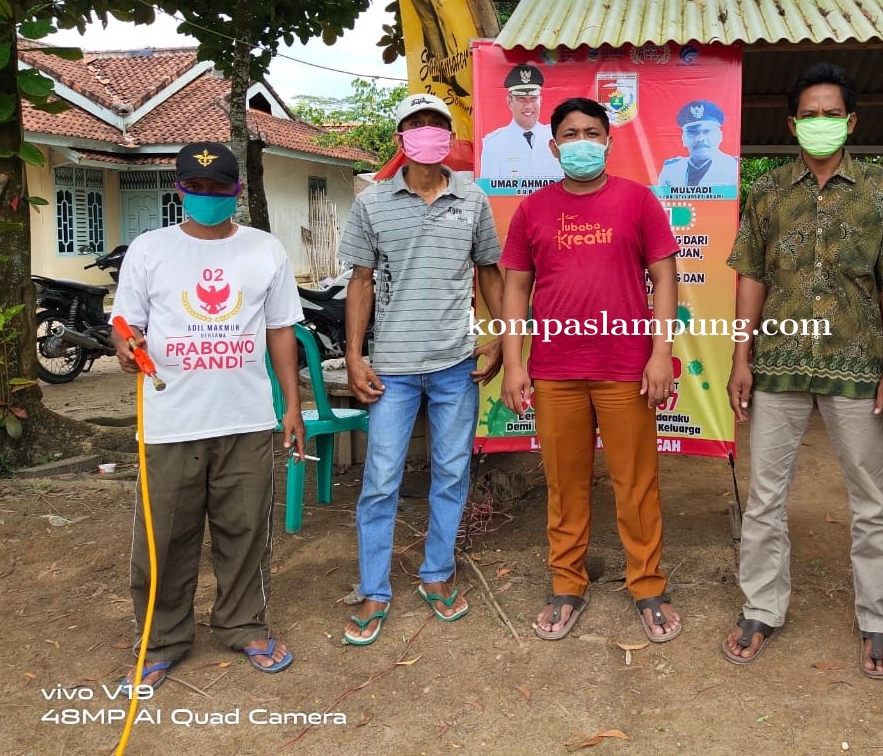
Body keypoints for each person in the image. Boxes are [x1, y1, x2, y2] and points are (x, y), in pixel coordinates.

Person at [721, 62, 883, 676]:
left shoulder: (880, 191)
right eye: (808, 116)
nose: (819, 123)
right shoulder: (766, 192)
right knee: (764, 496)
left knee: (871, 497)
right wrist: (740, 354)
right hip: (779, 364)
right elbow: (751, 276)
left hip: (857, 366)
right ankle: (761, 605)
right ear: (792, 124)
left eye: (830, 114)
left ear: (850, 120)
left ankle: (879, 618)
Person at [111, 141, 304, 692]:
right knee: (162, 538)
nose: (208, 198)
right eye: (196, 190)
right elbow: (124, 324)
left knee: (245, 531)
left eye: (219, 189)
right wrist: (126, 346)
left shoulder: (264, 250)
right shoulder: (150, 250)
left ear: (236, 192)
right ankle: (161, 640)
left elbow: (280, 330)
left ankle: (244, 624)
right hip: (171, 418)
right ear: (180, 191)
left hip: (244, 418)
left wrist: (290, 405)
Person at [499, 97, 682, 643]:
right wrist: (513, 362)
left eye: (592, 133)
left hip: (627, 368)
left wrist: (659, 352)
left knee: (636, 484)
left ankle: (648, 585)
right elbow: (514, 289)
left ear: (608, 141)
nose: (582, 142)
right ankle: (566, 583)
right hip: (555, 370)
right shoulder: (531, 210)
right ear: (554, 146)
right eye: (572, 134)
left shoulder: (639, 202)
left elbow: (666, 280)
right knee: (565, 484)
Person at [338, 93, 505, 645]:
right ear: (401, 139)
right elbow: (360, 281)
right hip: (393, 368)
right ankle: (373, 588)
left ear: (449, 138)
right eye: (416, 125)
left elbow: (488, 272)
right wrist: (356, 355)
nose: (427, 133)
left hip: (456, 361)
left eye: (437, 126)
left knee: (452, 474)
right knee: (381, 480)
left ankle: (437, 574)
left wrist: (501, 335)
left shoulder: (472, 200)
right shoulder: (373, 203)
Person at [479, 63, 562, 182]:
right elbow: (489, 192)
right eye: (521, 99)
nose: (528, 106)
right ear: (509, 102)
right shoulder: (493, 143)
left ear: (541, 100)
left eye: (533, 98)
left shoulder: (556, 137)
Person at [656, 99, 738, 190]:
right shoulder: (670, 170)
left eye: (707, 131)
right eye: (692, 132)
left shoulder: (732, 167)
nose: (700, 139)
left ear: (720, 136)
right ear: (683, 138)